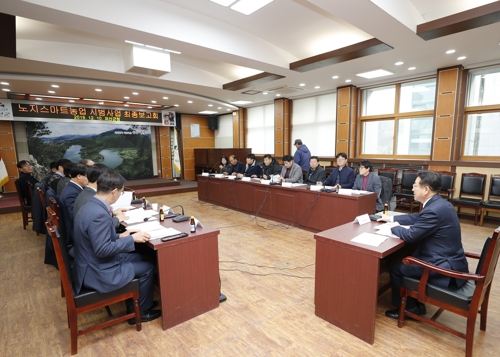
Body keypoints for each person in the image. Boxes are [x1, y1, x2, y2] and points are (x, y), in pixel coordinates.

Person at [377, 170, 469, 320]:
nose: (412, 189)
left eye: (415, 185)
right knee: (406, 257)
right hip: (451, 259)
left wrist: (392, 227)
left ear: (426, 189)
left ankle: (409, 309)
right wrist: (391, 219)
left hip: (441, 266)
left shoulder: (433, 210)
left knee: (396, 267)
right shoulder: (440, 204)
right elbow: (418, 217)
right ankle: (416, 303)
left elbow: (410, 235)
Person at [73, 170, 161, 323]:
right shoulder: (98, 214)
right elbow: (102, 250)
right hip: (97, 271)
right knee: (147, 268)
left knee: (137, 256)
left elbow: (97, 238)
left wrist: (121, 236)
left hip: (88, 262)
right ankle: (140, 312)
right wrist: (132, 238)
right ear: (113, 192)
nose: (120, 195)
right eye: (121, 192)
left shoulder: (90, 205)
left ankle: (136, 301)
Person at [74, 165, 129, 230]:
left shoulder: (86, 194)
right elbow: (100, 227)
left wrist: (112, 213)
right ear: (100, 179)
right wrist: (116, 219)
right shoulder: (92, 199)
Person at [60, 164, 88, 246]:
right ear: (79, 176)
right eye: (87, 176)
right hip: (74, 232)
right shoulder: (72, 193)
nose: (89, 179)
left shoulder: (71, 188)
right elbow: (75, 216)